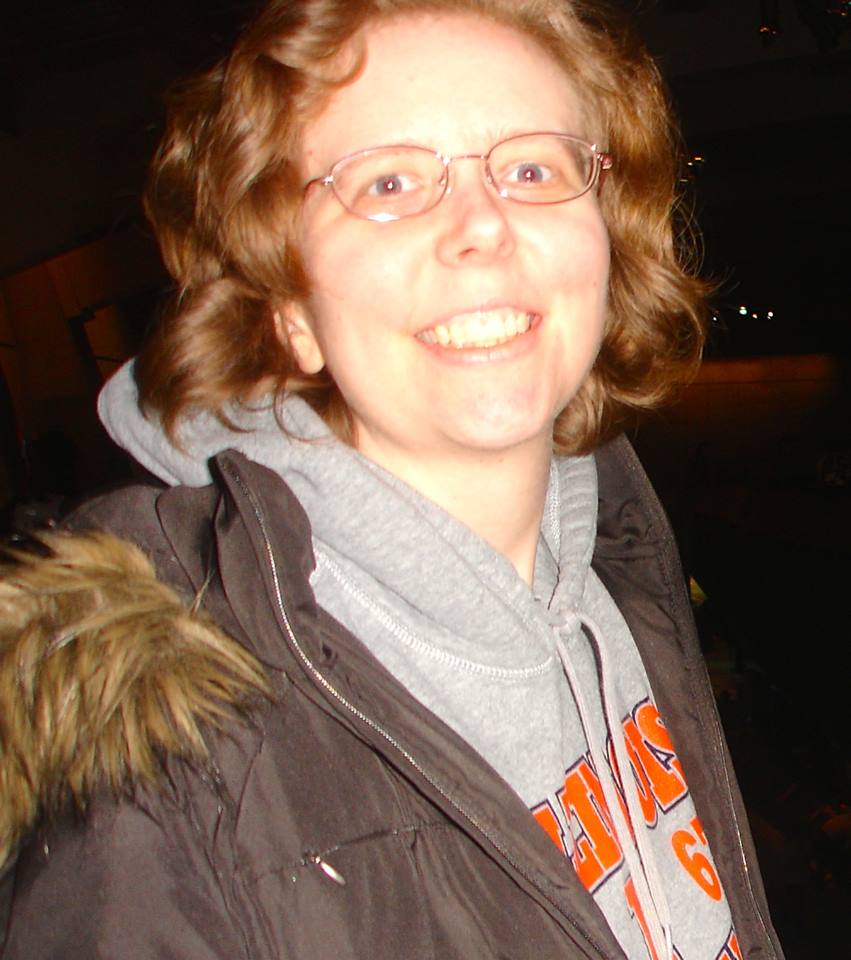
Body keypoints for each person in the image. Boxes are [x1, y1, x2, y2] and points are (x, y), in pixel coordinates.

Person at [0, 1, 784, 957]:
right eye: (389, 182)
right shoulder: (157, 769)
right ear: (288, 306)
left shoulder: (616, 567)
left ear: (606, 244)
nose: (481, 226)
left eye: (530, 169)